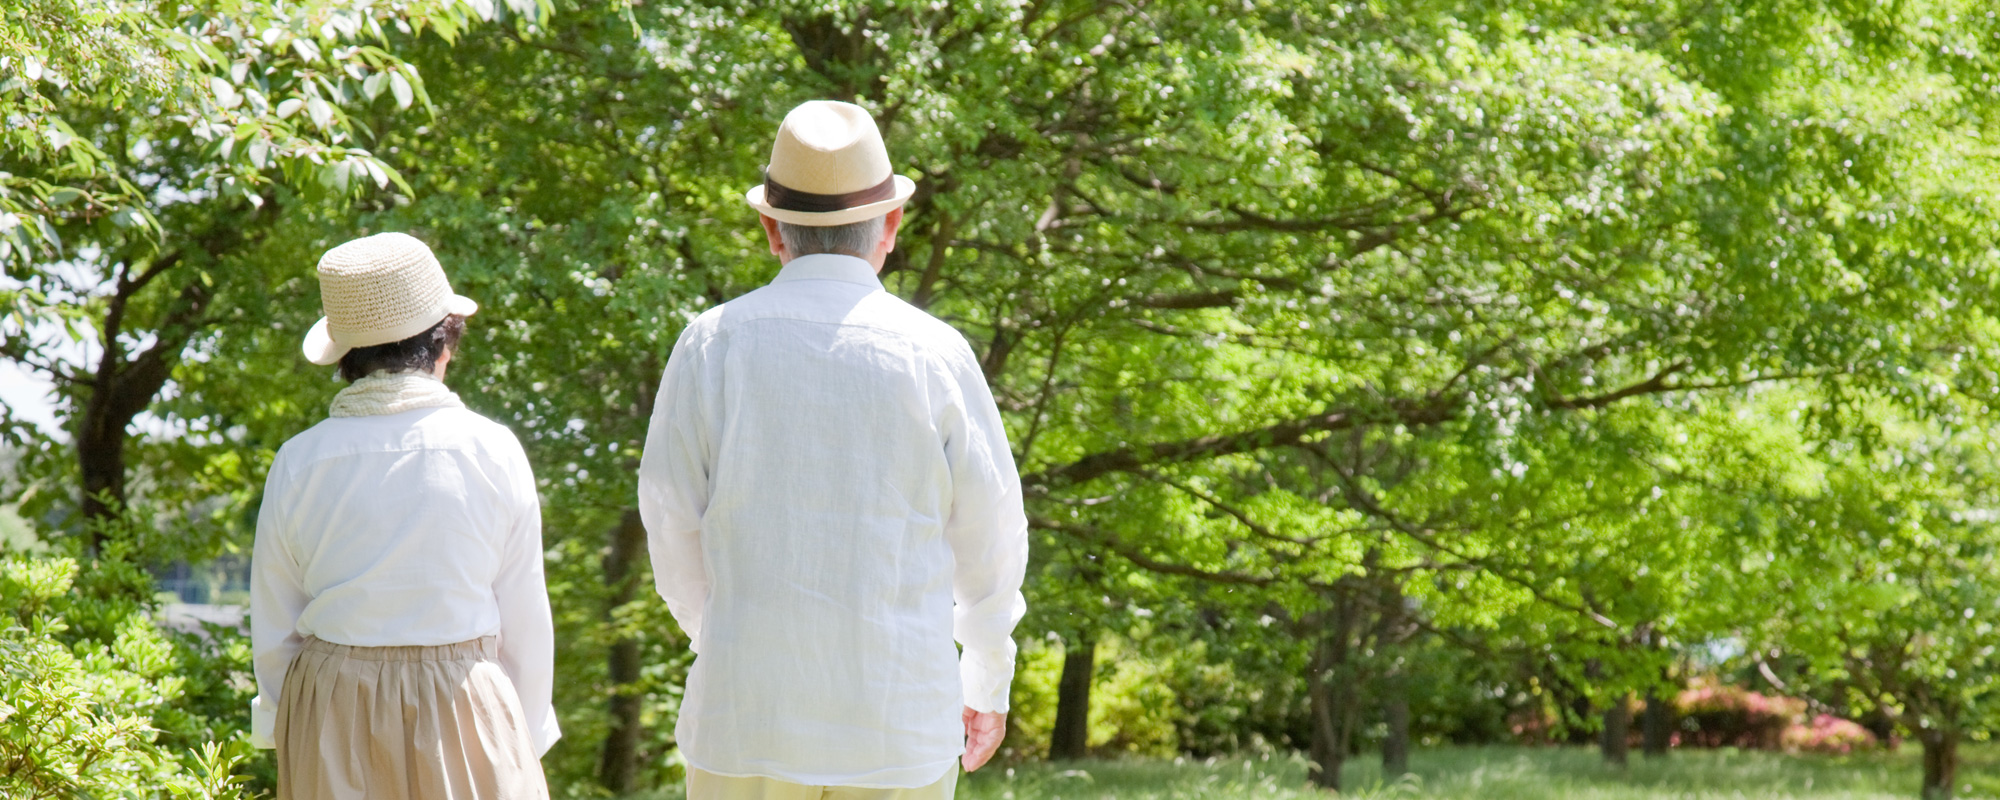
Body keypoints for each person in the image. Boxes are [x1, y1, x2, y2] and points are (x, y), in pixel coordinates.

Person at [638, 100, 1030, 800]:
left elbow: (671, 525)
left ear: (771, 230)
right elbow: (991, 539)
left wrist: (728, 638)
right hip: (898, 724)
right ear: (892, 225)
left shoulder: (712, 342)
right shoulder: (936, 353)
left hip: (744, 722)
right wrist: (986, 678)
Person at [249, 232, 560, 800]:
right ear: (445, 343)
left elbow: (275, 625)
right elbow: (525, 621)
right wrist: (523, 734)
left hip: (331, 704)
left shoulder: (300, 459)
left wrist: (282, 727)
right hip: (466, 699)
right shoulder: (491, 449)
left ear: (346, 358)